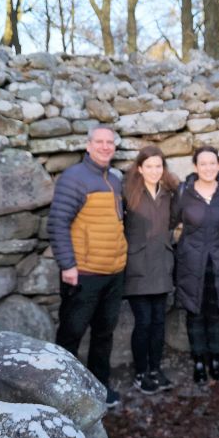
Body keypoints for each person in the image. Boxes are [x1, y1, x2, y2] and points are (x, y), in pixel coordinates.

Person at [48, 125, 127, 408]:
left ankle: (99, 389)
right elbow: (57, 222)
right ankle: (62, 391)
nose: (105, 147)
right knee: (72, 333)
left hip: (114, 274)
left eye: (110, 143)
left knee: (104, 334)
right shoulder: (75, 178)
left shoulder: (114, 180)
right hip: (83, 274)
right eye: (100, 142)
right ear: (88, 145)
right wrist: (68, 265)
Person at [173, 146, 219, 384]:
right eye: (203, 163)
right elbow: (170, 221)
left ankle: (215, 360)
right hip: (191, 261)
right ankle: (199, 361)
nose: (208, 168)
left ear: (218, 165)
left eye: (212, 163)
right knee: (194, 311)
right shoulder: (184, 193)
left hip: (218, 261)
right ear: (195, 167)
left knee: (215, 312)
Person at [122, 146, 179, 394]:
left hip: (162, 265)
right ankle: (140, 372)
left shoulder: (170, 193)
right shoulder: (128, 193)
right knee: (143, 321)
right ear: (140, 168)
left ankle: (155, 369)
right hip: (137, 266)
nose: (154, 171)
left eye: (158, 166)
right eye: (149, 166)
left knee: (158, 322)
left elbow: (175, 221)